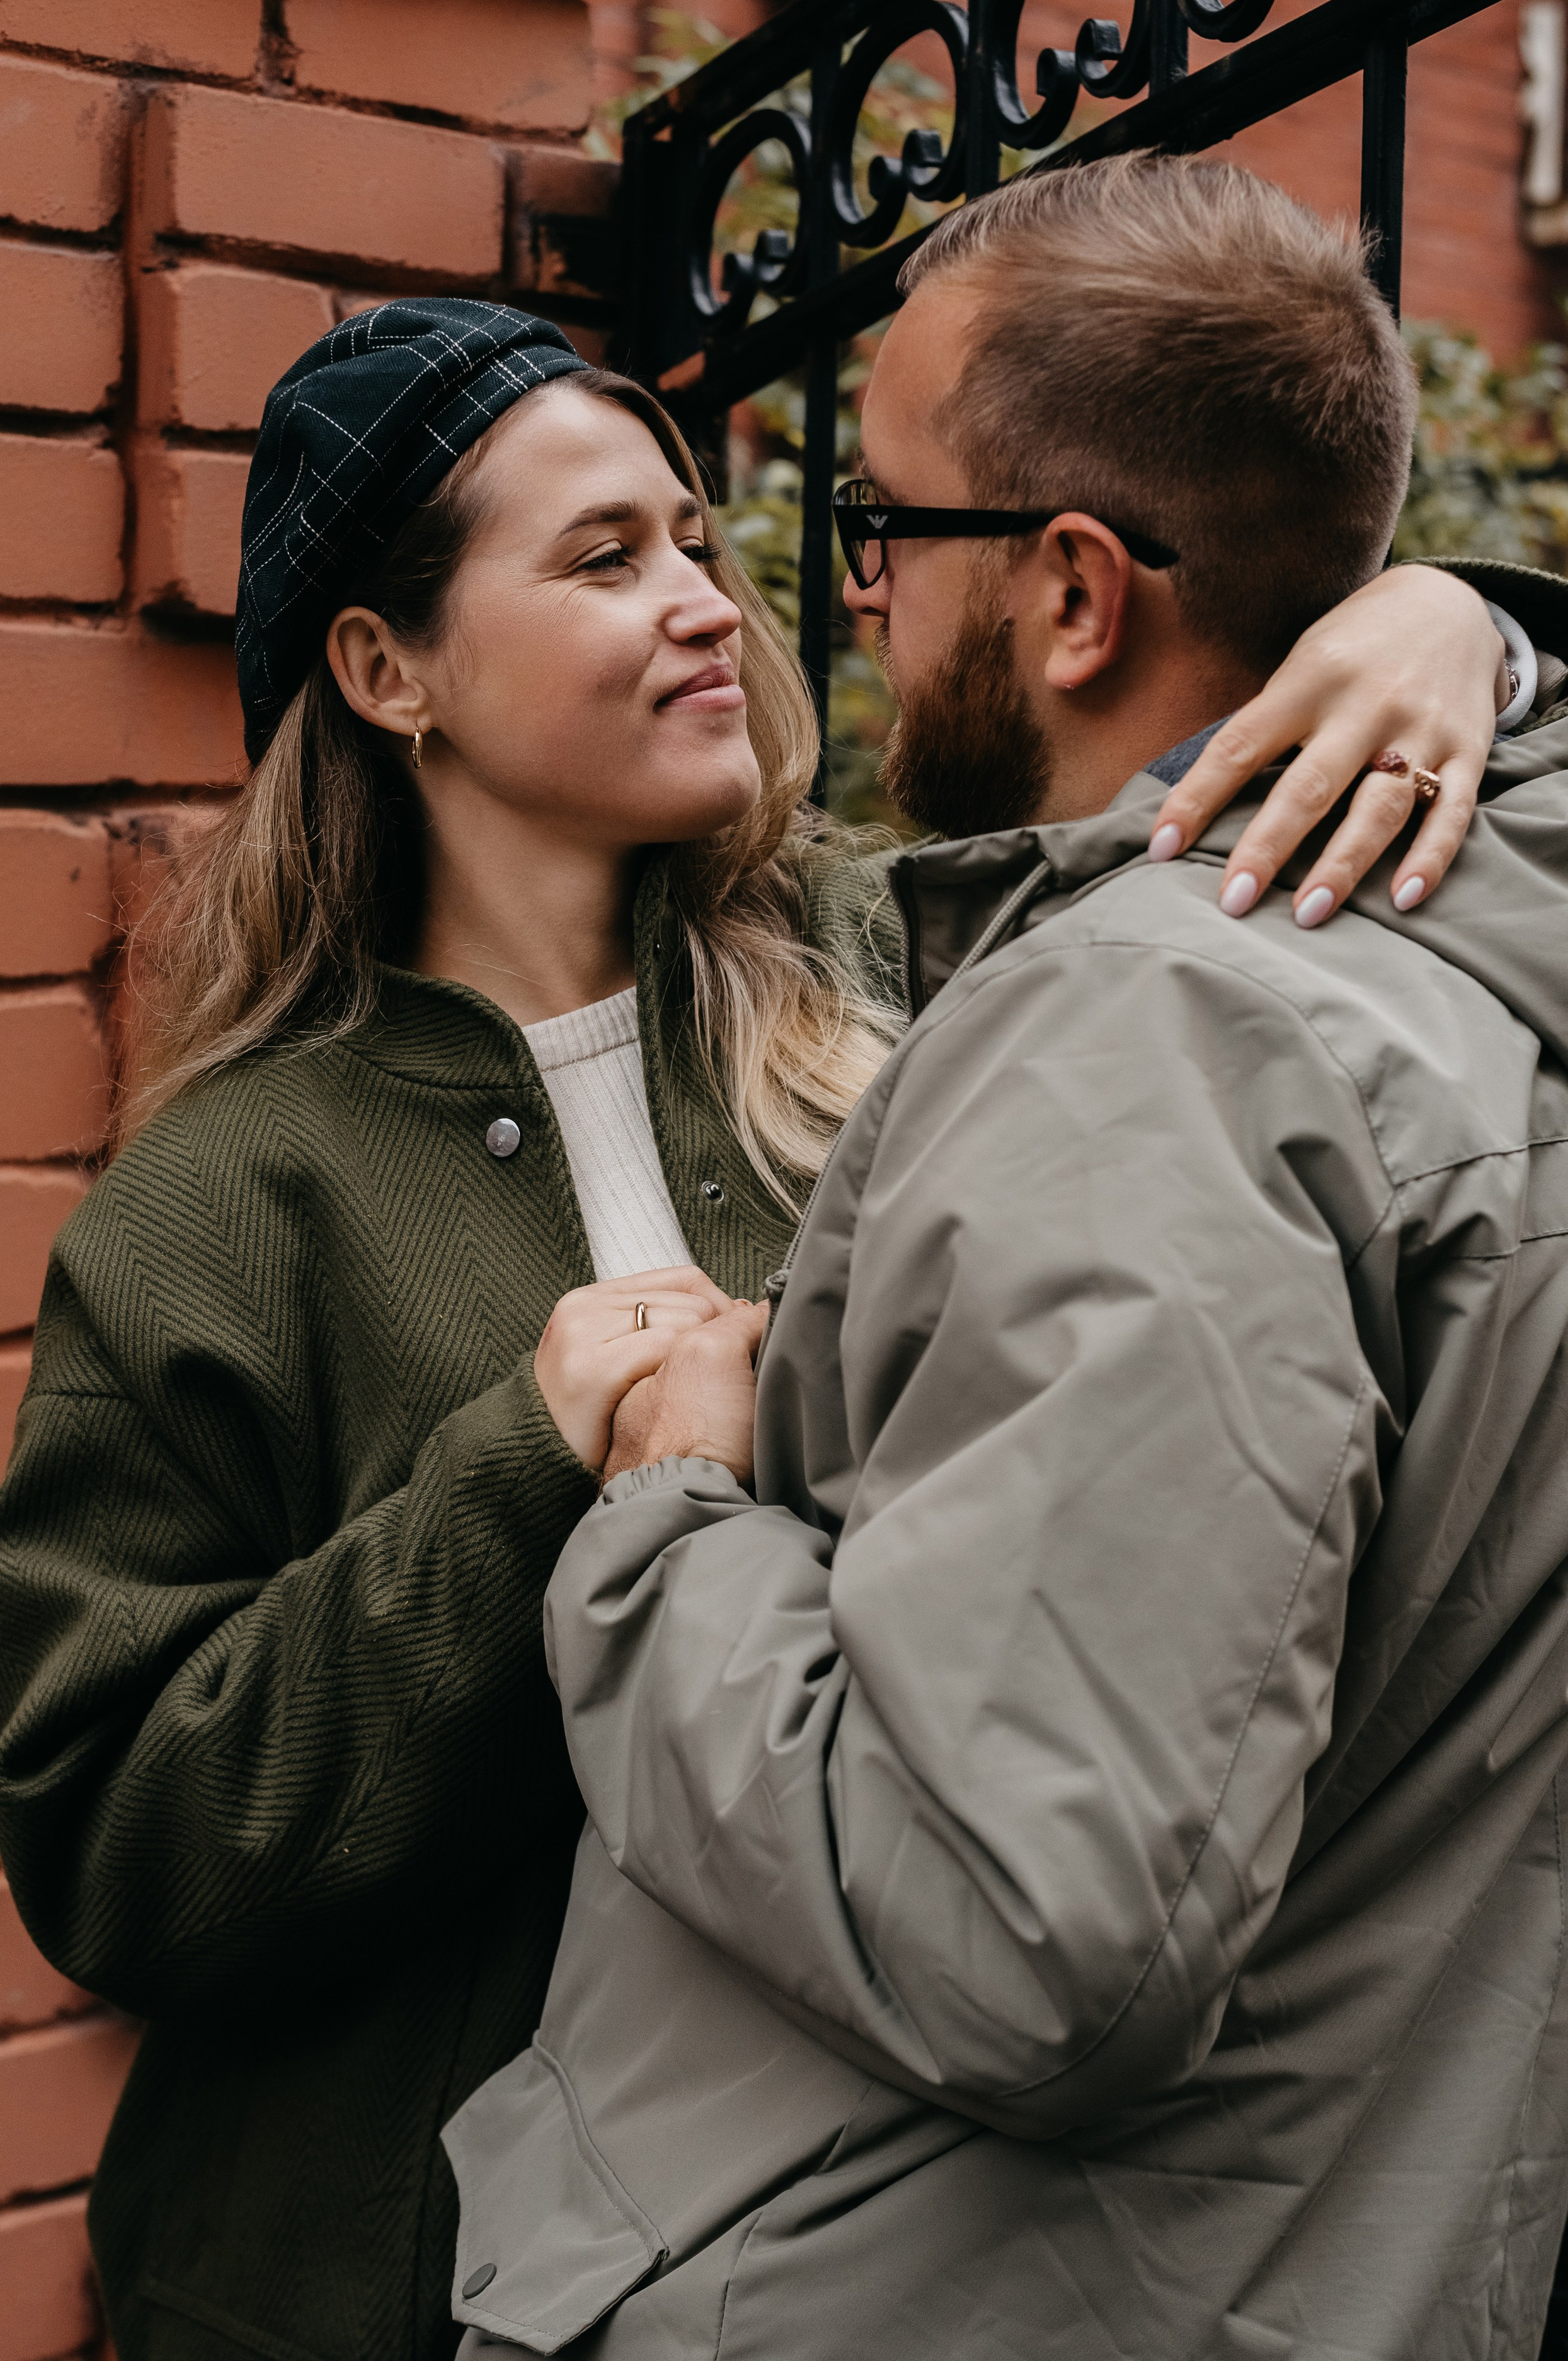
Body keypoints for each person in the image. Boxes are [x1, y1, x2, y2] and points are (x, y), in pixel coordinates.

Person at [0, 293, 1537, 2361]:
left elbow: (1243, 775)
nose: (711, 602)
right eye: (608, 558)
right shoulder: (227, 1197)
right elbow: (113, 1846)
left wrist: (1456, 615)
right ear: (386, 666)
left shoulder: (929, 972)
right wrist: (533, 1471)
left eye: (698, 539)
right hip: (364, 2280)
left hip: (811, 2258)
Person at [444, 163, 1568, 2361]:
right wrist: (1491, 619)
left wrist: (673, 1500)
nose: (824, 599)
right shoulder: (1486, 961)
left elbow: (1028, 1930)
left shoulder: (1168, 1027)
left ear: (1069, 593)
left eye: (875, 525)